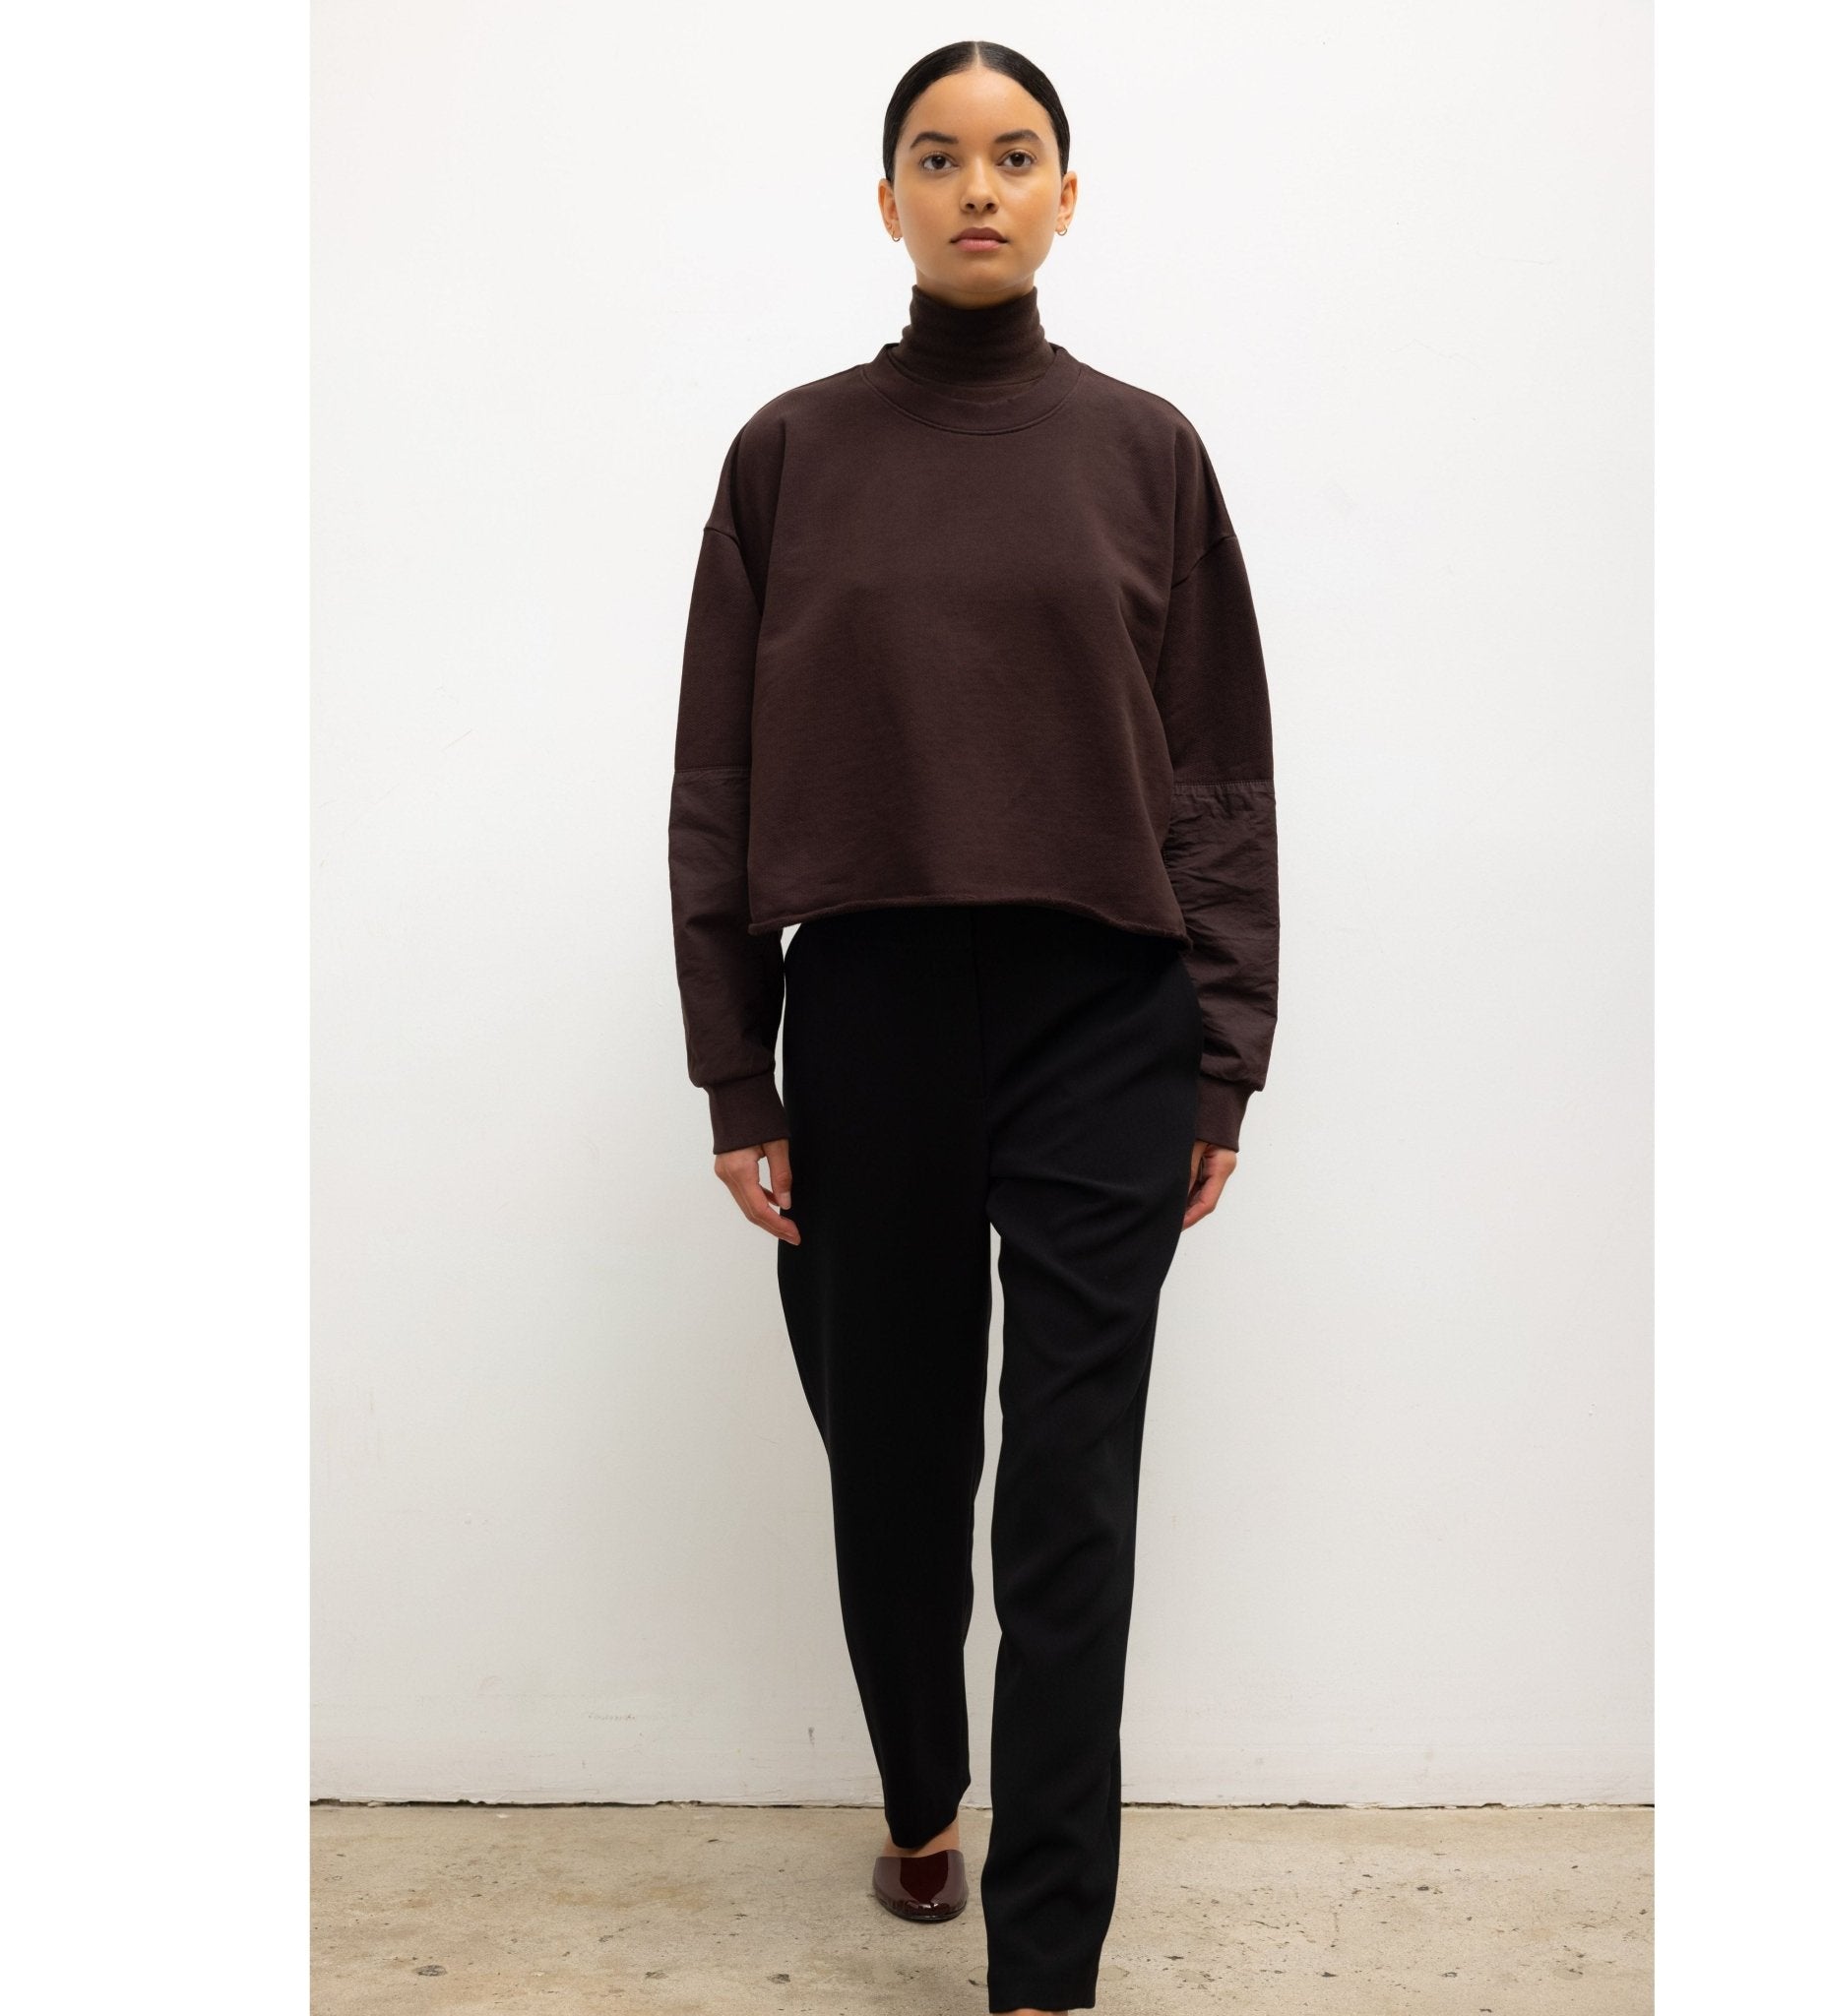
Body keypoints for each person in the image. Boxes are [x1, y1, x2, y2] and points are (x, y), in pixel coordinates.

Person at [666, 38, 1280, 2016]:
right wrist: (735, 1063)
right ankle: (921, 1795)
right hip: (869, 1008)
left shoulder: (1146, 453)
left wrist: (1222, 1047)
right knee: (896, 1462)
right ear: (889, 202)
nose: (979, 188)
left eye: (1016, 156)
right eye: (938, 158)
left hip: (1107, 1008)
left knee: (1070, 1492)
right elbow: (716, 781)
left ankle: (1045, 1968)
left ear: (1068, 197)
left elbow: (1218, 775)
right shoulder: (789, 456)